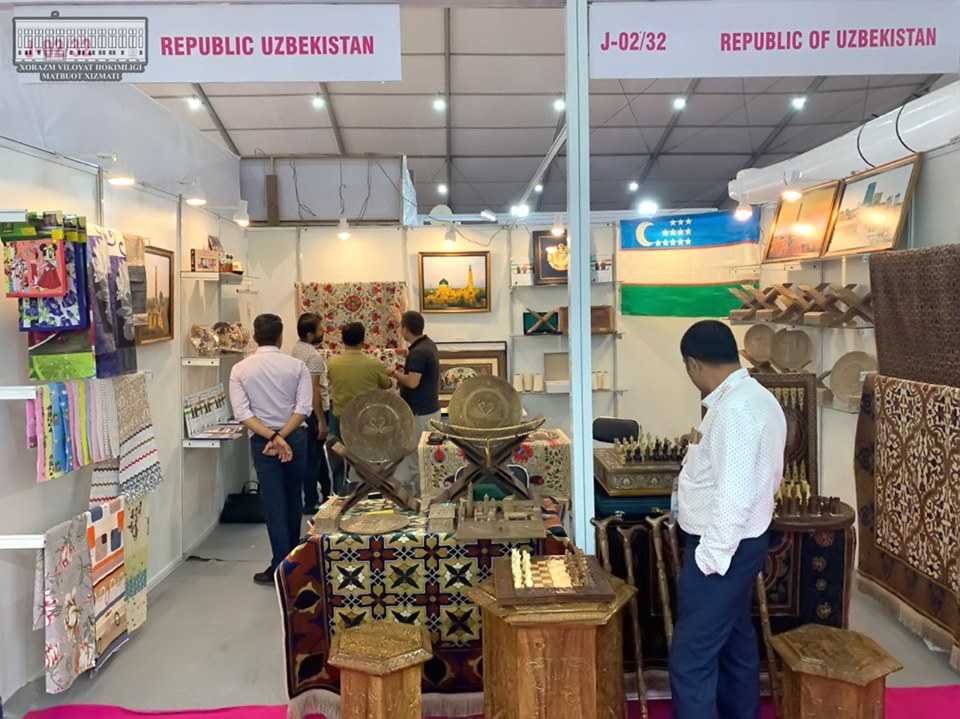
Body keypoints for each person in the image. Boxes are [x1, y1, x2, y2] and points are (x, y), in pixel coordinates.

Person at [669, 320, 787, 719]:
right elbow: (766, 479)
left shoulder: (734, 411)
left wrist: (710, 559)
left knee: (691, 659)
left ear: (693, 364)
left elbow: (734, 496)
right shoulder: (757, 398)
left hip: (722, 551)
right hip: (740, 545)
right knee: (735, 646)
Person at [229, 314, 312, 586]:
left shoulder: (240, 369)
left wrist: (272, 437)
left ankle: (279, 565)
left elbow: (243, 413)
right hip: (294, 437)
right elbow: (303, 408)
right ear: (280, 336)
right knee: (294, 497)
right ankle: (294, 562)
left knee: (274, 502)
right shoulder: (297, 366)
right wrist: (282, 436)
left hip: (262, 441)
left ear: (254, 337)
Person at [389, 310, 441, 496]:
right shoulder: (428, 344)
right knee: (426, 456)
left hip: (420, 414)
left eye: (401, 327)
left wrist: (393, 373)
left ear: (405, 329)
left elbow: (412, 382)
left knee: (416, 459)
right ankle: (426, 495)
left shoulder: (418, 353)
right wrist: (401, 320)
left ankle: (420, 499)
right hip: (430, 409)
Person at [290, 313, 331, 515]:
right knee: (313, 458)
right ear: (309, 334)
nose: (323, 332)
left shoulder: (296, 349)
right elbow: (314, 390)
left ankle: (327, 494)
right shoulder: (313, 357)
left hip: (302, 409)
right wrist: (321, 421)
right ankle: (311, 501)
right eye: (320, 329)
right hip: (315, 412)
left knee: (316, 455)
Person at [326, 321, 392, 442]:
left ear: (342, 340)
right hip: (367, 420)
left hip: (341, 419)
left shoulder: (332, 364)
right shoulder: (373, 363)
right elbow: (386, 384)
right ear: (363, 341)